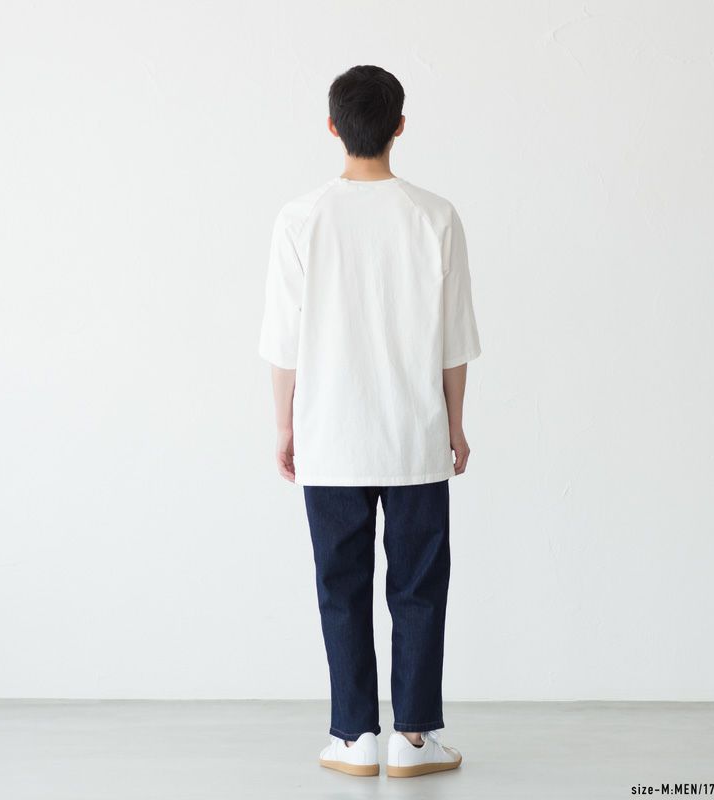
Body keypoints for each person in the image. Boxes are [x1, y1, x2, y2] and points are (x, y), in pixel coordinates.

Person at [258, 64, 481, 778]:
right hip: (414, 435)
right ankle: (414, 740)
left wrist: (285, 425)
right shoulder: (435, 216)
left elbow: (283, 344)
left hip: (330, 436)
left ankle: (353, 736)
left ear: (332, 127)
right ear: (400, 126)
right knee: (419, 589)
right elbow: (454, 341)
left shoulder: (300, 219)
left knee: (341, 588)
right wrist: (455, 425)